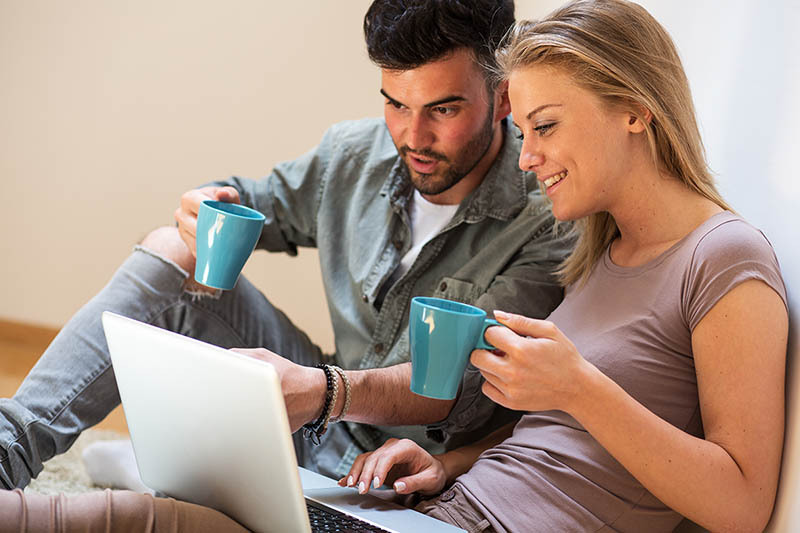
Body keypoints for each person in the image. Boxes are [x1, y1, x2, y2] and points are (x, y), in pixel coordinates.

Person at [0, 0, 571, 494]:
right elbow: (250, 200)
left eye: (443, 109)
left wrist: (324, 393)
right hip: (319, 411)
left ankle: (164, 471)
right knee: (172, 249)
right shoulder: (354, 153)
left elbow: (464, 388)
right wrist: (200, 207)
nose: (412, 137)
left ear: (502, 97)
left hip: (405, 469)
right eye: (396, 104)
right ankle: (8, 453)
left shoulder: (548, 217)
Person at [341, 1, 790, 531]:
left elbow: (743, 506)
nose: (527, 156)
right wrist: (446, 465)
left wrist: (577, 386)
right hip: (452, 508)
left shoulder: (723, 257)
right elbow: (557, 441)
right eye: (525, 132)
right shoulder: (601, 253)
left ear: (633, 109)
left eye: (546, 126)